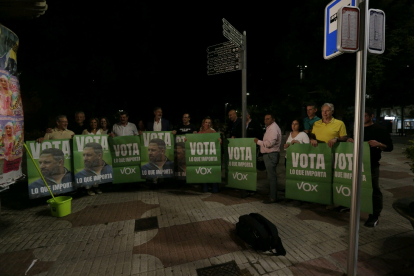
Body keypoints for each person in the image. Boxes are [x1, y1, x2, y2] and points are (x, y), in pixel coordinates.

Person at [347, 108, 393, 227]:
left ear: (371, 116)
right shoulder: (356, 129)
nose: (362, 118)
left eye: (365, 116)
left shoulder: (379, 129)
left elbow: (390, 147)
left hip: (371, 164)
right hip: (355, 164)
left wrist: (379, 144)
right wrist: (350, 140)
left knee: (373, 189)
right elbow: (351, 141)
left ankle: (375, 215)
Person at [254, 113, 282, 204]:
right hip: (269, 155)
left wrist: (258, 142)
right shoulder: (270, 128)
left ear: (273, 119)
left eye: (268, 119)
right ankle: (272, 195)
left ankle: (273, 197)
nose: (265, 121)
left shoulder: (273, 129)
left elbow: (270, 143)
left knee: (272, 177)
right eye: (265, 119)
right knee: (271, 176)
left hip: (271, 154)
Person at [198, 117, 221, 192]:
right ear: (203, 123)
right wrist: (187, 140)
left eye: (209, 122)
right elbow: (194, 141)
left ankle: (215, 187)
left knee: (213, 170)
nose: (207, 124)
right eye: (206, 122)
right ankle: (205, 186)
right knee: (204, 170)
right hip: (203, 155)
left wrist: (219, 140)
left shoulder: (213, 132)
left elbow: (218, 142)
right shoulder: (200, 132)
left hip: (211, 155)